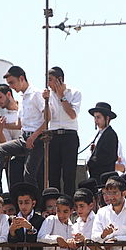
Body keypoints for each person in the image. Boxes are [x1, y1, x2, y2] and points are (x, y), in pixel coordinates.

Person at [0, 66, 47, 190]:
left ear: (21, 78)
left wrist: (33, 137)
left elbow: (48, 119)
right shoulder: (22, 98)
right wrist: (2, 125)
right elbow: (19, 125)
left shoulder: (36, 94)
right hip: (24, 138)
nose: (11, 86)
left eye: (12, 82)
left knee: (28, 175)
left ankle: (35, 205)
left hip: (37, 139)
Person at [43, 67, 81, 195]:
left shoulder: (74, 93)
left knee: (69, 173)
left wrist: (62, 97)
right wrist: (45, 102)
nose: (48, 83)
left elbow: (72, 114)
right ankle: (54, 202)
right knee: (53, 173)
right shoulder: (48, 95)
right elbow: (47, 118)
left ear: (59, 80)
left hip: (69, 135)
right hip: (53, 136)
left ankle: (69, 200)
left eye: (50, 80)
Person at [0, 83, 24, 187]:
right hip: (17, 159)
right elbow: (5, 146)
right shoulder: (3, 118)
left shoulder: (24, 107)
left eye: (0, 97)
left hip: (34, 152)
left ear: (9, 94)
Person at [85, 102, 119, 182]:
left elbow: (109, 157)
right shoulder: (99, 134)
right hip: (96, 177)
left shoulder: (110, 134)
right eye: (95, 117)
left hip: (103, 178)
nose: (96, 120)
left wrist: (92, 162)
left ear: (107, 118)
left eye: (98, 117)